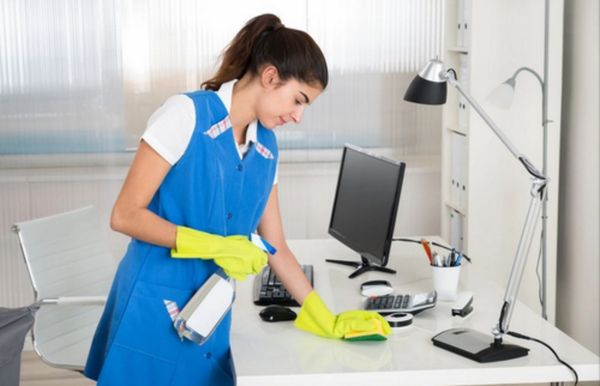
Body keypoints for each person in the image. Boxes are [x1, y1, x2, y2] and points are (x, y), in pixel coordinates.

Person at [84, 13, 390, 386]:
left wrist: (324, 317)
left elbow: (276, 244)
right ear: (270, 76)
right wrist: (215, 245)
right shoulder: (185, 114)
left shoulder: (266, 148)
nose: (298, 116)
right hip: (153, 303)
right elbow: (125, 215)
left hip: (209, 311)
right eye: (298, 99)